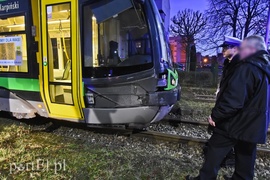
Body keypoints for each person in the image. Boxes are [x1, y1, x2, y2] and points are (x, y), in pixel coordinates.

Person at [186, 35, 270, 180]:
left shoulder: (247, 67)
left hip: (236, 122)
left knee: (215, 148)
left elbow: (234, 99)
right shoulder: (263, 67)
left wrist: (215, 116)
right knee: (246, 153)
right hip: (254, 122)